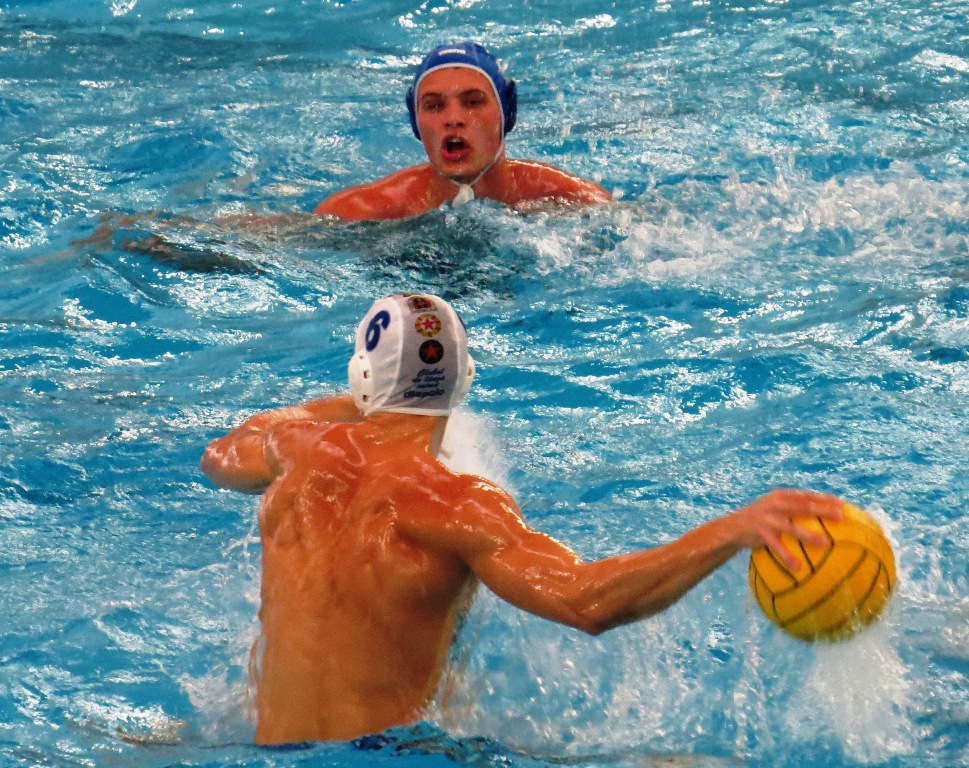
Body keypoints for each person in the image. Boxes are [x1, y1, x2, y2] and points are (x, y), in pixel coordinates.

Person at [200, 292, 844, 745]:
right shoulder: (455, 506)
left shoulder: (296, 449)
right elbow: (586, 601)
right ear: (463, 384)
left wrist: (360, 402)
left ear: (361, 377)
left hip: (266, 751)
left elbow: (223, 452)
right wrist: (730, 530)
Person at [313, 42, 612, 221]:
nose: (453, 119)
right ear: (415, 121)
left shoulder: (572, 201)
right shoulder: (364, 211)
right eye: (434, 106)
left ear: (506, 112)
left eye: (472, 102)